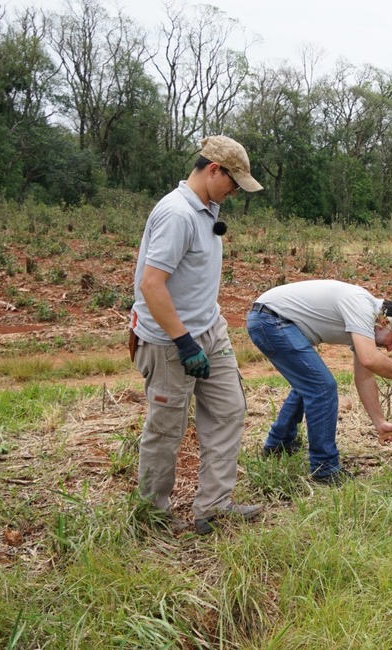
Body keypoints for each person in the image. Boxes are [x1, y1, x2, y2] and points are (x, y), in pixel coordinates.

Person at [130, 135, 264, 535]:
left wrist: (204, 333)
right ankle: (153, 512)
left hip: (211, 329)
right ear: (213, 170)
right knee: (167, 427)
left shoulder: (208, 209)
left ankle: (214, 506)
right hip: (169, 340)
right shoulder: (177, 214)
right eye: (233, 182)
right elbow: (151, 285)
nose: (235, 192)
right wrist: (184, 342)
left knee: (229, 410)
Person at [247, 280, 392, 483]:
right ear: (385, 323)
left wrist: (379, 422)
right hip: (270, 320)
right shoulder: (361, 306)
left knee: (309, 384)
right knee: (322, 387)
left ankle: (279, 445)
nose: (390, 348)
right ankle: (325, 469)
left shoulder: (365, 321)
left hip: (271, 319)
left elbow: (365, 375)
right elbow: (370, 359)